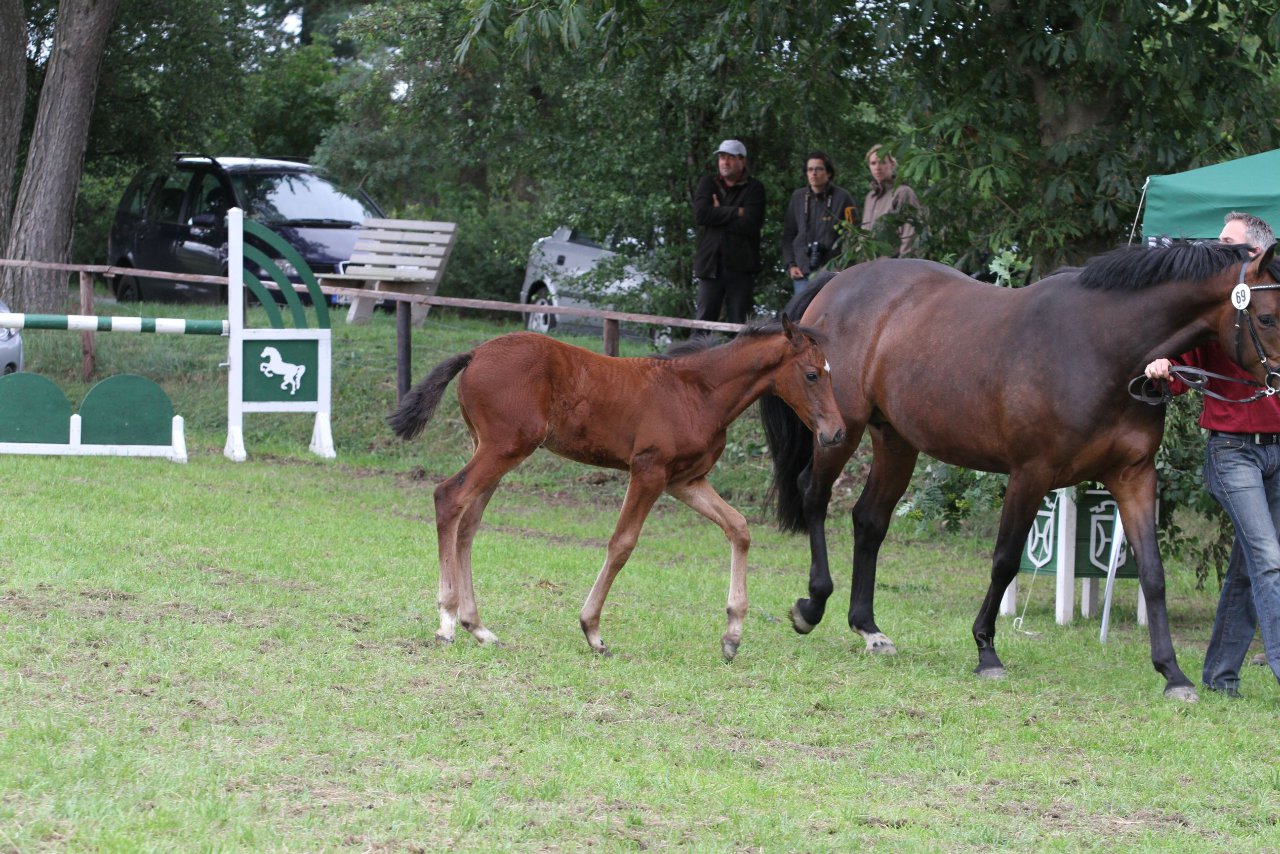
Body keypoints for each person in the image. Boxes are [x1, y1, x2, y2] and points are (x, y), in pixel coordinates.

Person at [1144, 211, 1280, 697]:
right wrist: (1165, 368)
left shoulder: (1270, 306)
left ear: (1255, 255)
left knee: (1250, 568)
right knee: (1268, 559)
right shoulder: (1213, 310)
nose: (1214, 247)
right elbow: (1182, 370)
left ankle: (1220, 677)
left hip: (1276, 450)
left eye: (1227, 242)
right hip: (1233, 452)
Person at [692, 139, 766, 324]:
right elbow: (701, 215)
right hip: (710, 265)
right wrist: (736, 211)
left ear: (743, 161)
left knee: (739, 326)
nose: (725, 162)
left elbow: (750, 223)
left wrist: (718, 212)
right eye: (722, 157)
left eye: (730, 158)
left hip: (741, 267)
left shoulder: (754, 188)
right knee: (703, 323)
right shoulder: (708, 183)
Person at [781, 151, 857, 294]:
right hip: (802, 270)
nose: (813, 173)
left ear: (828, 173)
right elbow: (788, 235)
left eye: (818, 169)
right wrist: (790, 264)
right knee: (803, 314)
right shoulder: (798, 197)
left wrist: (846, 266)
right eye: (810, 169)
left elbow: (854, 234)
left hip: (832, 271)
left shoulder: (843, 197)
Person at [861, 144, 921, 258]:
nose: (877, 167)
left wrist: (903, 266)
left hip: (893, 267)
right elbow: (865, 234)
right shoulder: (870, 197)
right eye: (873, 163)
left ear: (892, 164)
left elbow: (910, 234)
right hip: (870, 267)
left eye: (883, 162)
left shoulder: (903, 192)